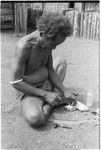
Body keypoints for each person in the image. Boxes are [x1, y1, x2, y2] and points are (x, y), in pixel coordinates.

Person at [11, 12, 77, 127]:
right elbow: (16, 82)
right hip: (31, 90)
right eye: (54, 44)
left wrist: (64, 89)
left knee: (61, 61)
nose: (54, 48)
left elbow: (50, 69)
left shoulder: (46, 44)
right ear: (43, 34)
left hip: (46, 83)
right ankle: (54, 102)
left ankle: (55, 96)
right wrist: (45, 95)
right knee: (35, 119)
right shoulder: (23, 47)